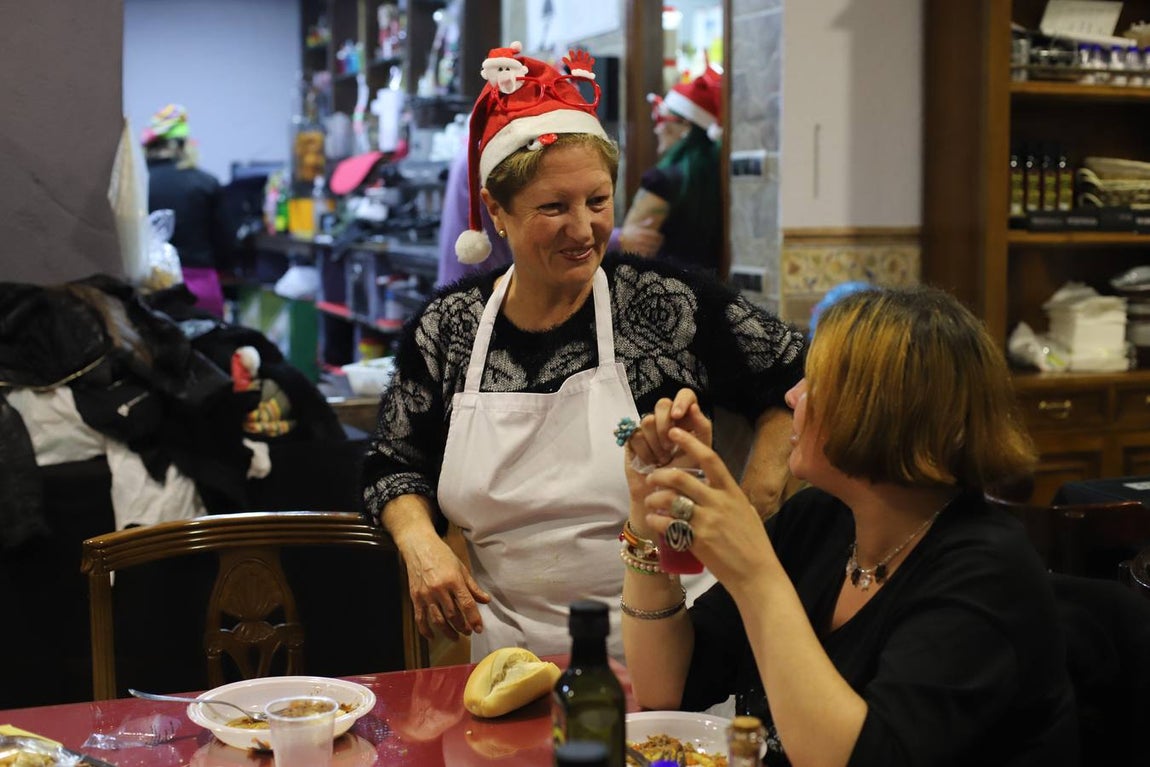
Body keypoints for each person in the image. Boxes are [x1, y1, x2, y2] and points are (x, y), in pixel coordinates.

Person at [362, 43, 806, 662]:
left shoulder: (661, 303)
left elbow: (797, 372)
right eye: (553, 208)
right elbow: (392, 462)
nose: (584, 229)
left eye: (598, 202)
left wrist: (759, 500)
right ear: (496, 211)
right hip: (505, 658)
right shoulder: (449, 327)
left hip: (670, 648)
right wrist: (420, 541)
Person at [619, 285, 1079, 766]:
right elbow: (664, 687)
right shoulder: (820, 520)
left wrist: (756, 576)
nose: (794, 396)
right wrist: (650, 509)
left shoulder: (987, 575)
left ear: (880, 413)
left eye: (814, 381)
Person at [619, 67, 724, 272]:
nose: (657, 128)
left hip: (665, 289)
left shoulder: (661, 181)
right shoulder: (720, 177)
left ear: (686, 126)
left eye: (661, 118)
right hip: (711, 289)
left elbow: (633, 247)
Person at [142, 104, 231, 317]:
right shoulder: (206, 183)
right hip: (199, 288)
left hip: (150, 290)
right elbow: (225, 242)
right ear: (183, 145)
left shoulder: (138, 185)